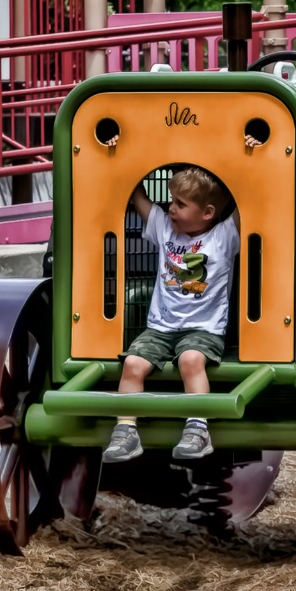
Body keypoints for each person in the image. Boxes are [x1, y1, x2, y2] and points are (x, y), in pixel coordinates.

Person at [103, 137, 261, 463]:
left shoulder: (222, 237)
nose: (171, 207)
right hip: (161, 327)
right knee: (132, 364)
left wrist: (254, 151)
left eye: (180, 203)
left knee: (191, 361)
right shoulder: (164, 228)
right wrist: (121, 149)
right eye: (172, 200)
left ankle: (197, 428)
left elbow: (252, 194)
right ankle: (126, 430)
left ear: (207, 212)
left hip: (203, 329)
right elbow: (138, 197)